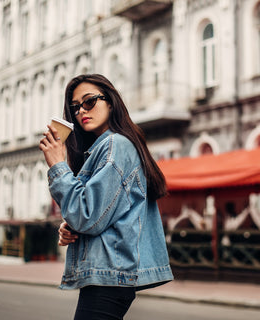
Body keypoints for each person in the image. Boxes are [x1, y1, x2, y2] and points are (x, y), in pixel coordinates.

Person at [39, 74, 173, 319]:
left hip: (110, 276)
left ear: (110, 102)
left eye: (89, 101)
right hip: (109, 275)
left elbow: (88, 216)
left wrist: (58, 165)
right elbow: (99, 211)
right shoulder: (104, 148)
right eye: (75, 107)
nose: (81, 111)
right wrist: (70, 226)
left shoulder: (115, 145)